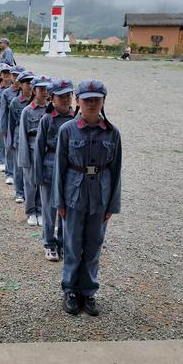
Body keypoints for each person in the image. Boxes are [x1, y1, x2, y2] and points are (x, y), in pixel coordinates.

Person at [52, 79, 122, 316]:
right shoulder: (67, 130)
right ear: (78, 101)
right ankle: (71, 290)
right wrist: (59, 201)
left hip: (99, 199)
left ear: (103, 102)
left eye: (97, 100)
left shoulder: (112, 133)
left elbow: (116, 170)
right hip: (73, 196)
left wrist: (112, 204)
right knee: (72, 245)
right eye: (87, 99)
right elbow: (59, 169)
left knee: (93, 246)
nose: (92, 104)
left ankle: (88, 291)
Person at [34, 78, 75, 262]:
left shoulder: (76, 119)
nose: (66, 99)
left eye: (68, 95)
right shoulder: (47, 120)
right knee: (49, 210)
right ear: (52, 98)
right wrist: (38, 175)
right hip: (50, 170)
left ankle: (63, 242)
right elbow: (39, 148)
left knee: (66, 210)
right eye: (61, 96)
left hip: (70, 173)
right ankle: (49, 243)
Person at [18, 75, 52, 226]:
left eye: (46, 89)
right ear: (34, 90)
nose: (44, 92)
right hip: (31, 151)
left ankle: (41, 210)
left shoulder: (51, 110)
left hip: (46, 152)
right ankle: (31, 211)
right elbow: (23, 136)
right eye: (41, 89)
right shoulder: (27, 111)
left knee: (43, 183)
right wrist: (24, 158)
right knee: (30, 183)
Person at [8, 70, 35, 203]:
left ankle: (33, 194)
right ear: (21, 85)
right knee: (19, 167)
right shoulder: (15, 102)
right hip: (20, 138)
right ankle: (19, 192)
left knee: (33, 168)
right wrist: (11, 141)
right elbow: (11, 124)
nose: (29, 86)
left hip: (34, 140)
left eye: (32, 83)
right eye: (27, 83)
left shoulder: (39, 102)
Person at [0, 67, 22, 185]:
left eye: (18, 75)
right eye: (14, 75)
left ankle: (18, 174)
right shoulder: (6, 93)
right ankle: (9, 173)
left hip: (21, 126)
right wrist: (3, 129)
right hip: (10, 123)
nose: (16, 78)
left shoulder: (26, 92)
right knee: (9, 148)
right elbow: (3, 113)